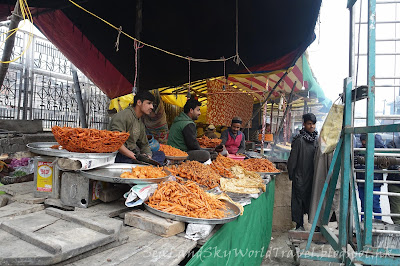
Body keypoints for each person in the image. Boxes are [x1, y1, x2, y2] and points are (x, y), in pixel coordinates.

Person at [109, 90, 165, 164]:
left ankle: (146, 164)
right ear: (139, 102)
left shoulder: (139, 121)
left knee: (160, 155)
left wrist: (148, 156)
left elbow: (144, 144)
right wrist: (135, 157)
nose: (151, 107)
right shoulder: (124, 116)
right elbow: (116, 143)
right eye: (149, 103)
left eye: (152, 104)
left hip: (134, 155)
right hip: (120, 155)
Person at [287, 113, 318, 231]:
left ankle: (315, 226)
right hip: (300, 176)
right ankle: (299, 225)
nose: (312, 126)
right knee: (298, 201)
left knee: (312, 200)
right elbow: (292, 160)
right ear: (304, 124)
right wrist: (292, 175)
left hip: (312, 176)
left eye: (313, 124)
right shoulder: (299, 140)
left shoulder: (316, 140)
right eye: (309, 124)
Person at [355, 133, 384, 220]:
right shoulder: (359, 151)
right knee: (365, 205)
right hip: (364, 182)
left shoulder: (377, 150)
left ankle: (377, 223)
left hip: (374, 182)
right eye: (362, 141)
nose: (364, 142)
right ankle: (364, 224)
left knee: (374, 204)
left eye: (365, 140)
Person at [387, 136, 400, 224]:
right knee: (396, 210)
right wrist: (397, 167)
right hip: (395, 181)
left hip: (395, 180)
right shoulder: (392, 143)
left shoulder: (392, 142)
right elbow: (388, 161)